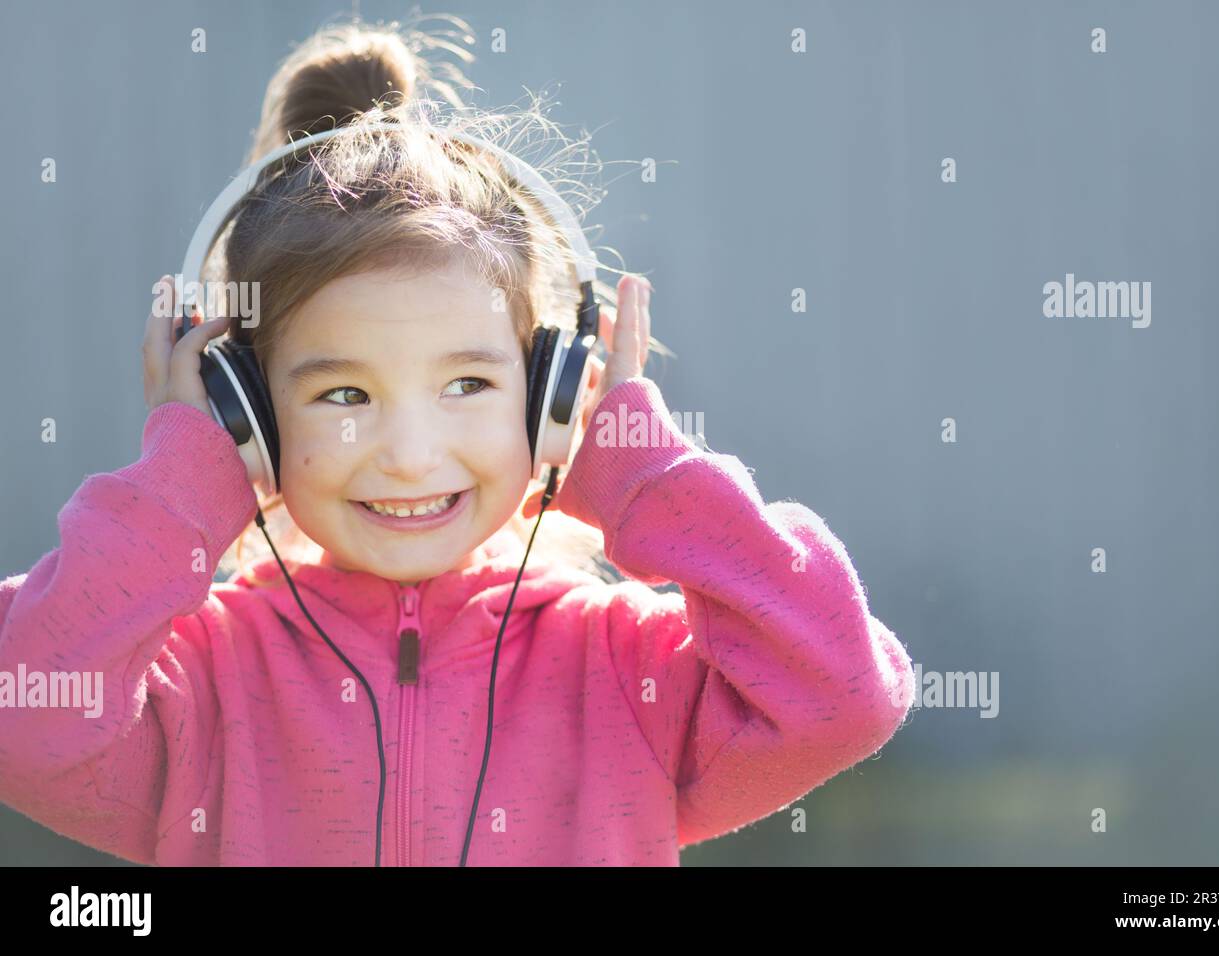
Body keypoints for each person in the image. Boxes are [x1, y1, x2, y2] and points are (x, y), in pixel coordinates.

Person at [0, 20, 914, 866]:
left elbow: (842, 696)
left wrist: (646, 474)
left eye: (468, 385)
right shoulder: (199, 686)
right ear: (250, 415)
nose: (408, 453)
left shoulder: (627, 673)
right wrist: (179, 487)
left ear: (555, 399)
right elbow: (25, 717)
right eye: (345, 393)